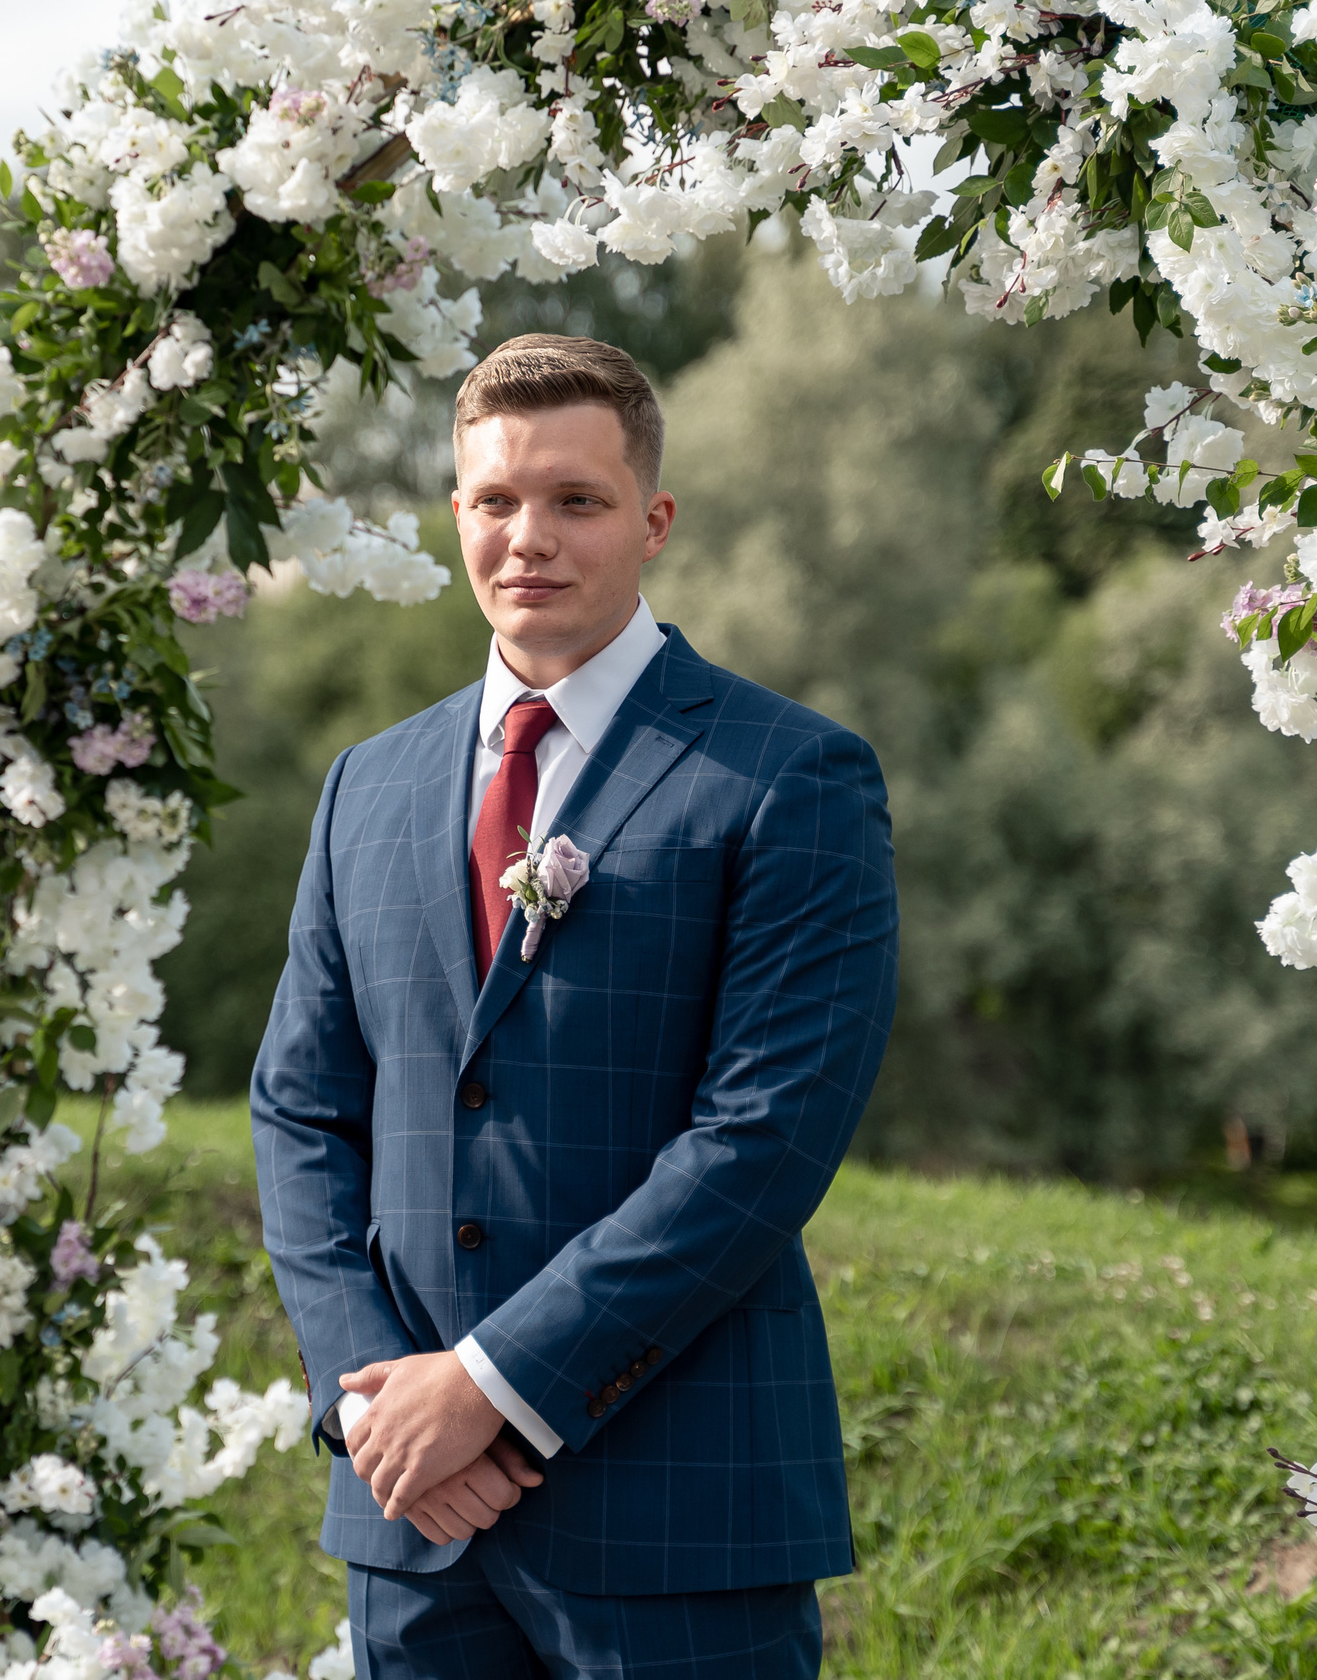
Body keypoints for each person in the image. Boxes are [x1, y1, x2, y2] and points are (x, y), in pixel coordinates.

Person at [251, 333, 899, 1679]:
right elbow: (300, 1110)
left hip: (677, 1516)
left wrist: (487, 1390)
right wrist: (385, 1409)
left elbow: (762, 1142)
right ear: (456, 518)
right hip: (415, 1522)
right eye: (495, 502)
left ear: (653, 521)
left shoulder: (790, 777)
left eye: (577, 502)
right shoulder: (363, 787)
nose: (528, 539)